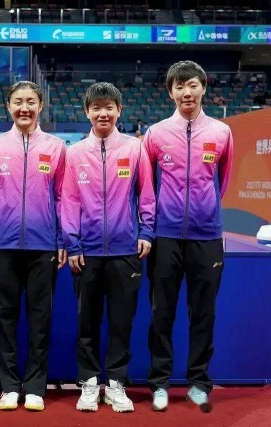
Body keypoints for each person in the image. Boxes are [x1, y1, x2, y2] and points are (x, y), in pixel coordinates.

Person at [144, 60, 233, 412]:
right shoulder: (155, 134)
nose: (187, 92)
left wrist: (205, 213)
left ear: (203, 88)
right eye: (179, 86)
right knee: (161, 312)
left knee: (203, 313)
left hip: (206, 236)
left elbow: (222, 180)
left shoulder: (221, 132)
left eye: (193, 84)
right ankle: (159, 382)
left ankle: (198, 383)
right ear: (171, 93)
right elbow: (147, 187)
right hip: (164, 236)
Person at [62, 82, 155, 413]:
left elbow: (147, 194)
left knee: (121, 322)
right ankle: (88, 383)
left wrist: (146, 231)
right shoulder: (74, 153)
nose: (103, 113)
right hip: (85, 253)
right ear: (87, 112)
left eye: (109, 107)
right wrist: (72, 244)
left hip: (125, 251)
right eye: (96, 107)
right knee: (86, 322)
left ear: (119, 110)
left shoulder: (134, 149)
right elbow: (69, 201)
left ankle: (116, 383)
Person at [0, 81, 66, 412]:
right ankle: (9, 386)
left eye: (30, 102)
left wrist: (62, 239)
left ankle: (36, 387)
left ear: (40, 106)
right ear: (8, 107)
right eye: (18, 102)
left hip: (44, 245)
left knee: (40, 319)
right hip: (3, 244)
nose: (24, 108)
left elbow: (62, 198)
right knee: (5, 317)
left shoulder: (57, 147)